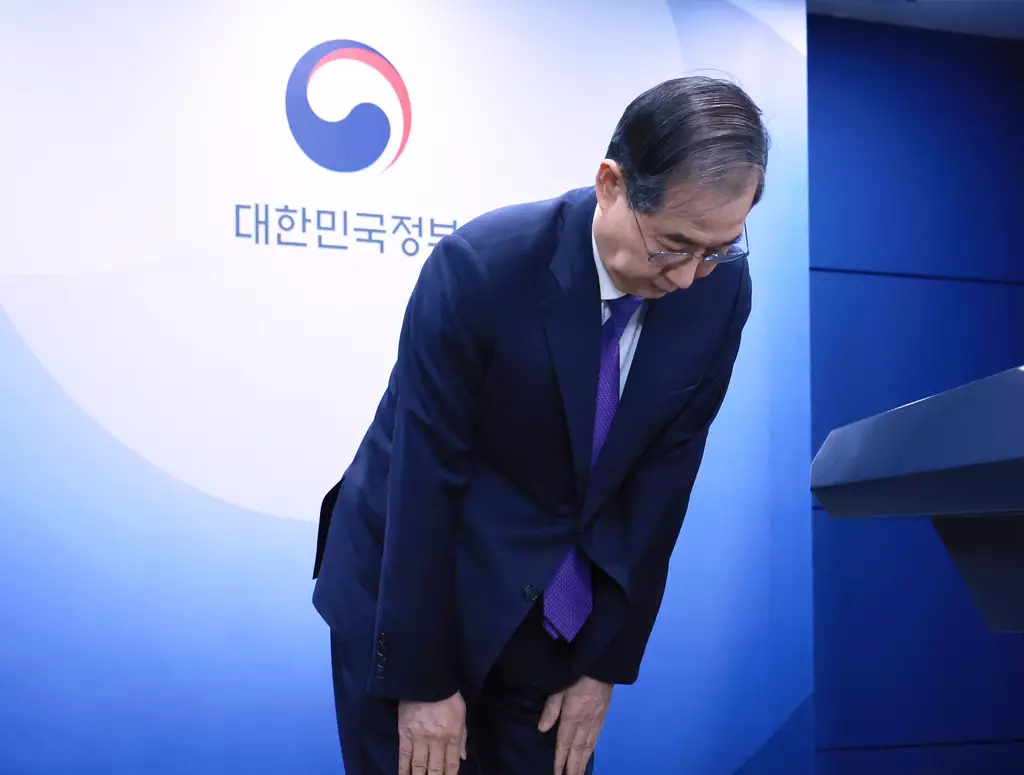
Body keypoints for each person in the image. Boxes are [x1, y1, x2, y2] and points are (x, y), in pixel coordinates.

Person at [312, 75, 769, 775]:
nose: (686, 277)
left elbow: (662, 486)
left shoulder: (720, 292)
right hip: (413, 594)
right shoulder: (483, 268)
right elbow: (424, 480)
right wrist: (423, 681)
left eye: (718, 249)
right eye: (672, 245)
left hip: (555, 608)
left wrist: (604, 663)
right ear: (611, 184)